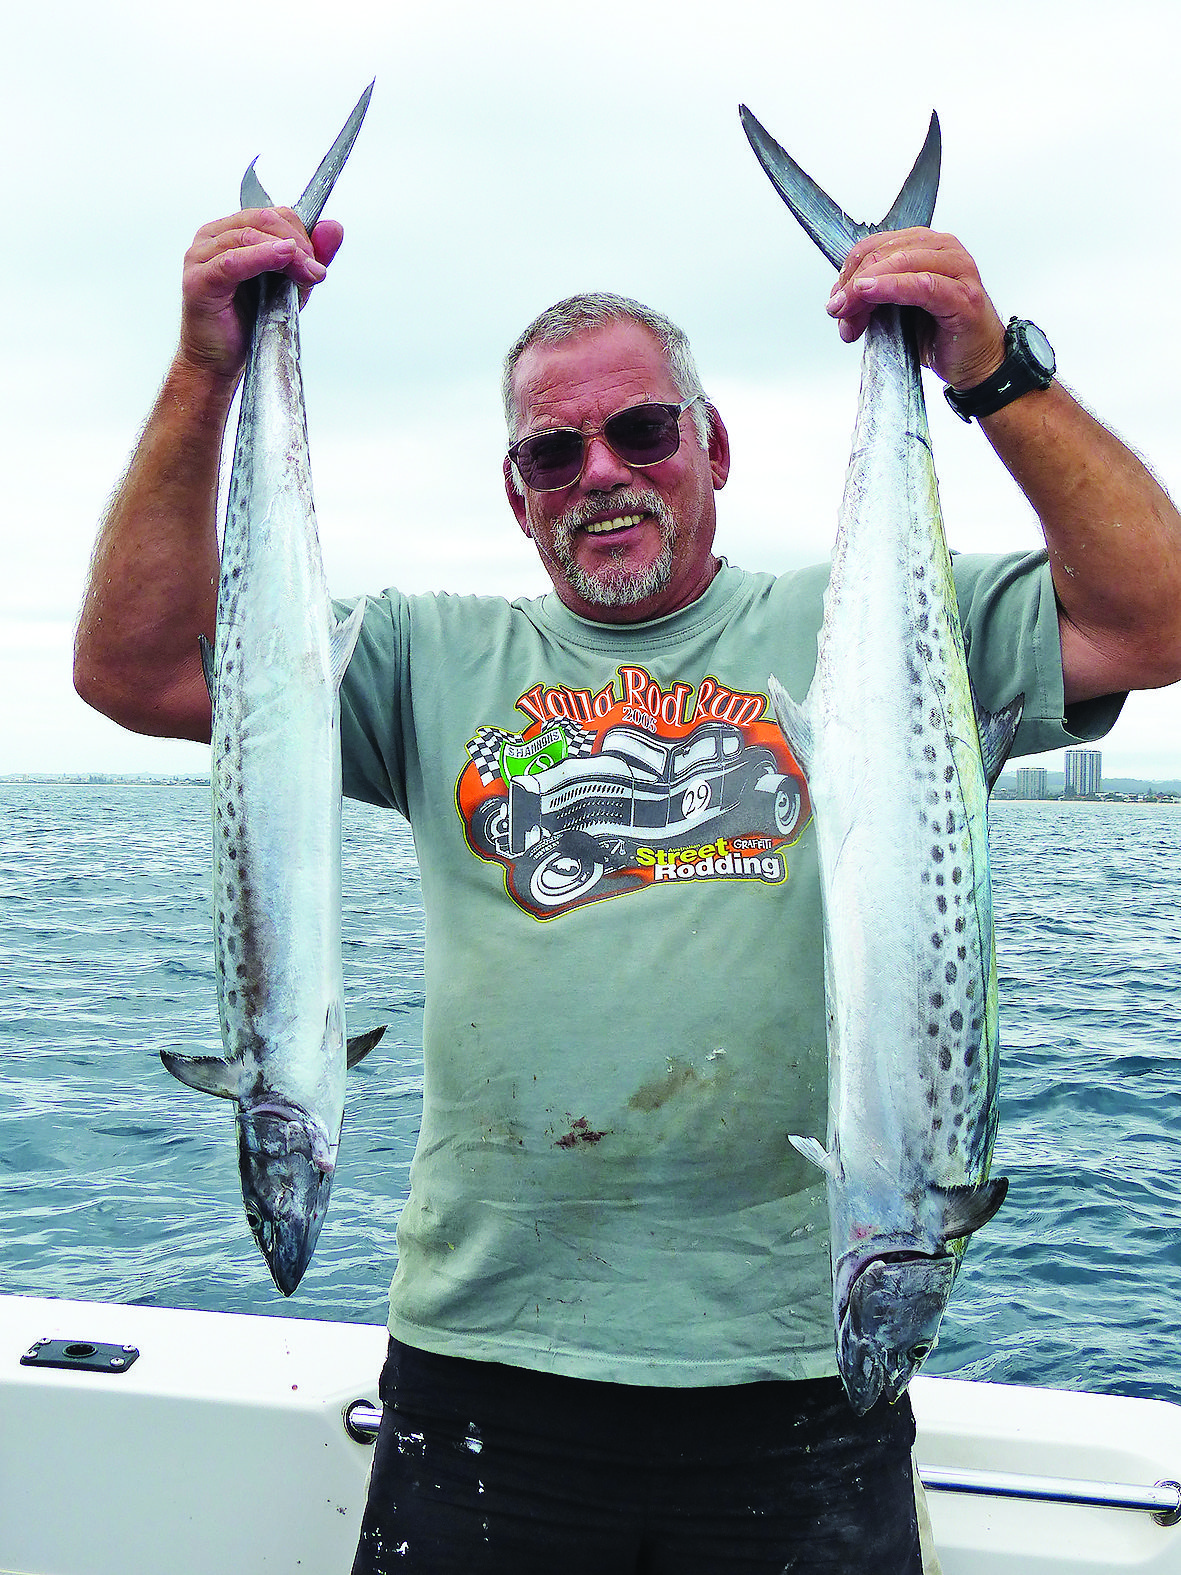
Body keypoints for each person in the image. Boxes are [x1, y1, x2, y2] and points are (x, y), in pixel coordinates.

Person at [75, 199, 1181, 1575]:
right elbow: (132, 671)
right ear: (517, 490)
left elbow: (1157, 612)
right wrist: (206, 371)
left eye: (643, 432)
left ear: (712, 446)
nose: (601, 472)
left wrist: (986, 367)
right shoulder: (424, 657)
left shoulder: (875, 627)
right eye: (553, 449)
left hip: (801, 1381)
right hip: (486, 1369)